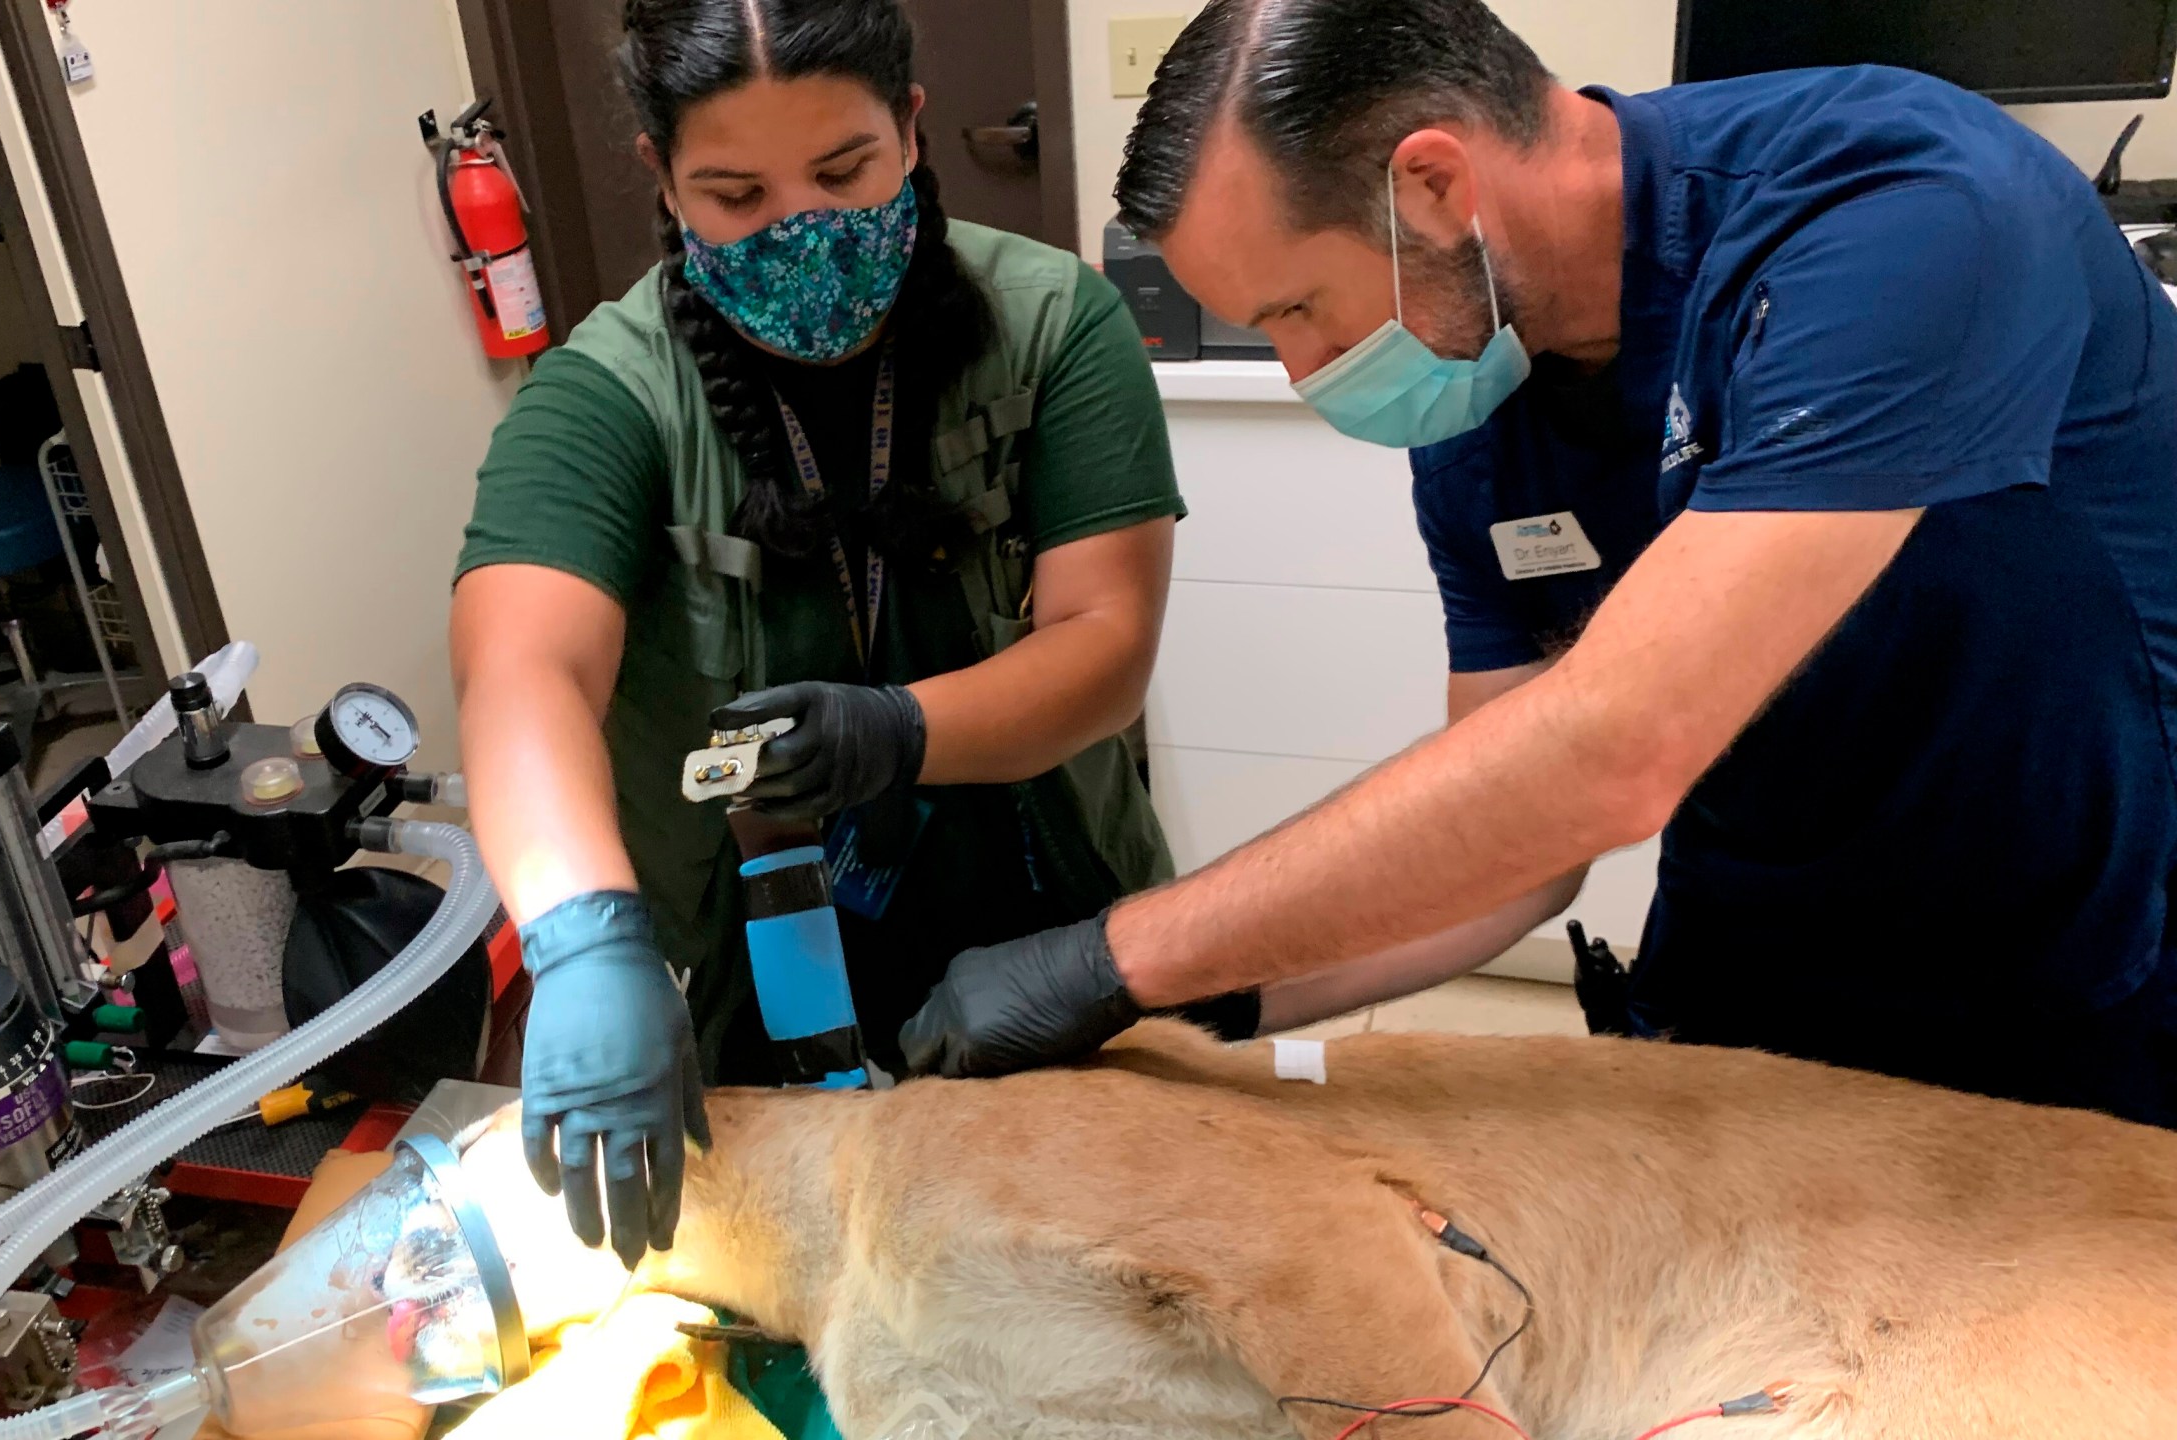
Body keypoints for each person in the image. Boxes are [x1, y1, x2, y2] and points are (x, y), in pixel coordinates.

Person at [900, 0, 2177, 1129]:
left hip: (2065, 952)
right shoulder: (1477, 393)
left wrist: (1111, 956)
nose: (1300, 373)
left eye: (1296, 307)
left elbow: (1611, 748)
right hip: (1747, 958)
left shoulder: (1895, 211)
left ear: (1435, 190)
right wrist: (1185, 1009)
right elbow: (1510, 842)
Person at [451, 0, 1210, 1264]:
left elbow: (1104, 645)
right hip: (757, 947)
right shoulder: (609, 391)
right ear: (661, 175)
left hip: (1038, 906)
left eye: (843, 172)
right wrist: (583, 937)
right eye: (735, 193)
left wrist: (900, 732)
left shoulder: (1054, 326)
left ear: (910, 132)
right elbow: (521, 667)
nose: (797, 227)